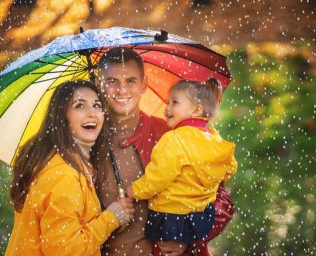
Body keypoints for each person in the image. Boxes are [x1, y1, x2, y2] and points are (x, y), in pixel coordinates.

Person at [94, 48, 235, 256]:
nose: (122, 90)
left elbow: (222, 201)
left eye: (131, 81)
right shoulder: (87, 142)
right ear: (99, 85)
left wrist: (188, 238)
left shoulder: (175, 134)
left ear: (144, 84)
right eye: (112, 81)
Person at [5, 80, 134, 256]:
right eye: (79, 105)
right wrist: (111, 218)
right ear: (62, 116)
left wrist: (114, 217)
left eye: (97, 106)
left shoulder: (67, 163)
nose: (92, 113)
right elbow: (66, 251)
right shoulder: (63, 175)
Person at [126, 78, 237, 255]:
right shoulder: (214, 137)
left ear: (196, 110)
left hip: (170, 217)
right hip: (202, 216)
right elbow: (230, 168)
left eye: (174, 102)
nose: (167, 108)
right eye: (168, 102)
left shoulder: (173, 139)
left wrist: (135, 191)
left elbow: (158, 177)